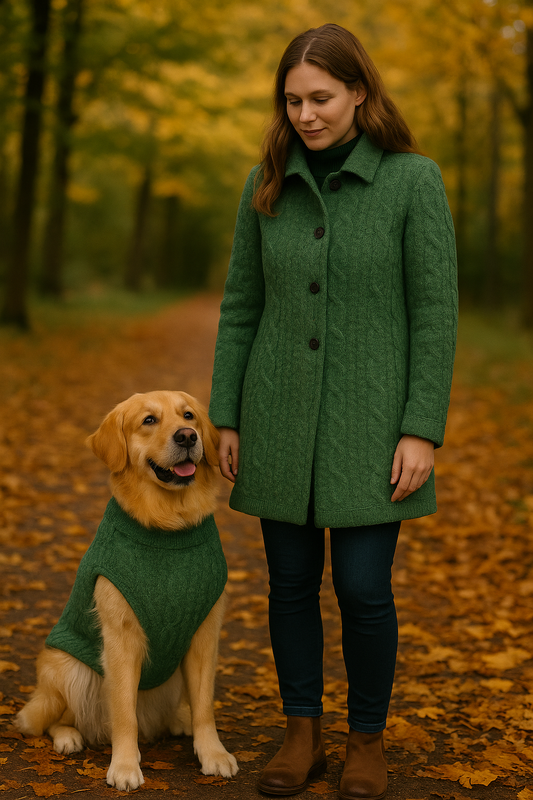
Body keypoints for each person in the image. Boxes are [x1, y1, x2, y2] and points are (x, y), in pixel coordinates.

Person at [209, 23, 457, 800]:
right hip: (275, 412)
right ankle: (299, 734)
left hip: (371, 423)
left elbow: (435, 312)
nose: (306, 114)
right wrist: (227, 414)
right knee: (287, 585)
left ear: (358, 92)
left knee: (361, 587)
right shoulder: (267, 181)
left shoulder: (413, 182)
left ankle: (365, 740)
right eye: (292, 100)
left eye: (320, 97)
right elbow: (240, 306)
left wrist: (420, 425)